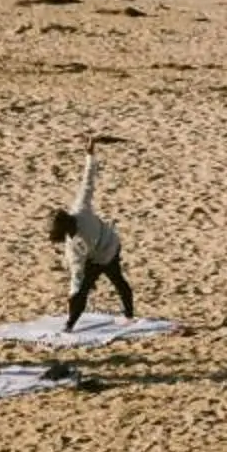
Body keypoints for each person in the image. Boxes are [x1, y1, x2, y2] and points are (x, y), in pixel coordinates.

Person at [49, 137, 134, 330]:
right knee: (90, 289)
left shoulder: (76, 244)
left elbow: (77, 273)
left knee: (115, 280)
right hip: (99, 250)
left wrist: (74, 293)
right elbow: (87, 182)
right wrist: (89, 155)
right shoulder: (79, 210)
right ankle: (71, 323)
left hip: (108, 249)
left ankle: (128, 315)